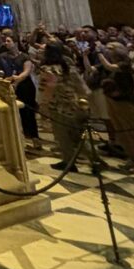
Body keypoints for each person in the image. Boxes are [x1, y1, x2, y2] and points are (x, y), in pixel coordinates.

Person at [99, 44, 134, 174]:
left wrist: (99, 53)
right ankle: (132, 159)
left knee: (132, 134)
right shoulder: (117, 65)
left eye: (110, 48)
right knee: (122, 133)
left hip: (125, 102)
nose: (107, 50)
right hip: (115, 101)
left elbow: (109, 66)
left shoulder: (124, 65)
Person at [39, 40, 90, 171]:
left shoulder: (48, 69)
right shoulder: (68, 66)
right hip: (73, 103)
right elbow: (81, 85)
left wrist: (44, 104)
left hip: (59, 105)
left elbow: (50, 86)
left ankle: (69, 161)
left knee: (63, 135)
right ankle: (94, 159)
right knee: (76, 135)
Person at [0, 36, 41, 151]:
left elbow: (26, 71)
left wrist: (17, 79)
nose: (6, 43)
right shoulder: (3, 57)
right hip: (10, 85)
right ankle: (20, 139)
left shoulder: (24, 56)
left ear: (15, 43)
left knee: (29, 113)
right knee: (17, 114)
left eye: (9, 41)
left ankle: (35, 137)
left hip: (25, 86)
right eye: (5, 41)